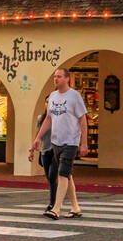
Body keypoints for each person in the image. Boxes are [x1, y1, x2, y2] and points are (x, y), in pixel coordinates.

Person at [28, 68, 87, 220]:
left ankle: (56, 208)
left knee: (62, 173)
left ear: (67, 79)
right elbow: (48, 119)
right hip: (56, 141)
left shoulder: (74, 96)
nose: (56, 79)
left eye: (59, 76)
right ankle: (75, 207)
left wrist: (84, 143)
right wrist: (37, 138)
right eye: (55, 76)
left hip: (71, 141)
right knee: (67, 175)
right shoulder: (53, 96)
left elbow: (83, 119)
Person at [28, 102, 58, 215]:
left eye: (50, 101)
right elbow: (38, 134)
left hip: (56, 150)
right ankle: (54, 200)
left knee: (52, 176)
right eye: (46, 102)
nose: (48, 104)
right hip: (45, 151)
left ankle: (53, 204)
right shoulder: (41, 118)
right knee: (50, 178)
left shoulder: (57, 118)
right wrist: (32, 150)